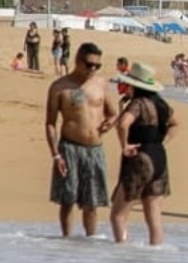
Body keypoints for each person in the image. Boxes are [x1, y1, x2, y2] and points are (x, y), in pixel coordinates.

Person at [44, 41, 117, 239]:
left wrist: (109, 123)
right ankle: (66, 241)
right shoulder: (60, 87)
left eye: (97, 66)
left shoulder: (100, 84)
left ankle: (91, 242)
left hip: (95, 149)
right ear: (78, 60)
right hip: (69, 148)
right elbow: (50, 123)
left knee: (92, 203)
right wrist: (56, 155)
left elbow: (112, 113)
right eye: (89, 64)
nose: (93, 69)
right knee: (67, 200)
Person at [109, 62, 177, 246]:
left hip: (140, 157)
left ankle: (121, 250)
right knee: (154, 217)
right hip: (159, 157)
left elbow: (123, 124)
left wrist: (124, 145)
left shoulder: (138, 103)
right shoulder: (161, 104)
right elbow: (175, 124)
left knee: (118, 215)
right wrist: (163, 142)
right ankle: (155, 254)